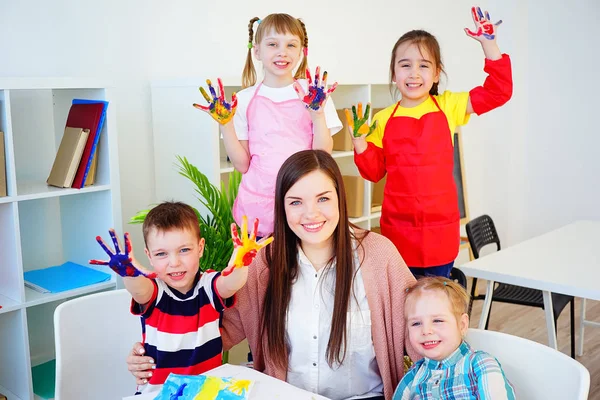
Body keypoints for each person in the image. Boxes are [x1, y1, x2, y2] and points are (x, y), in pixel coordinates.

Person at [127, 150, 418, 400]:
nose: (311, 214)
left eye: (323, 199)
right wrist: (152, 355)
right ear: (282, 206)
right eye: (296, 202)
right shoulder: (262, 264)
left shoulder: (379, 255)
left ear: (340, 199)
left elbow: (423, 327)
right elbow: (211, 333)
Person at [347, 6, 513, 278]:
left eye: (424, 66)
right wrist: (360, 143)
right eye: (405, 65)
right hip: (398, 234)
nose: (414, 73)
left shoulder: (449, 106)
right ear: (393, 74)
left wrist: (489, 45)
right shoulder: (383, 118)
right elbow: (374, 172)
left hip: (439, 233)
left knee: (434, 308)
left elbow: (499, 91)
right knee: (402, 309)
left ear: (437, 73)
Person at [91, 201, 271, 394]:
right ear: (149, 256)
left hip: (205, 392)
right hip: (158, 394)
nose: (174, 263)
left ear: (200, 248)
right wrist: (128, 273)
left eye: (184, 250)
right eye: (161, 254)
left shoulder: (208, 285)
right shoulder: (155, 292)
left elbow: (230, 284)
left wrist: (241, 263)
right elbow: (139, 290)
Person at [193, 13, 342, 238]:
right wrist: (226, 125)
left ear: (302, 51)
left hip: (304, 203)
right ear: (257, 51)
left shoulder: (314, 94)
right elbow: (243, 165)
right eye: (273, 44)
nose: (282, 52)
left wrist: (317, 114)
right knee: (262, 271)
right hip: (259, 205)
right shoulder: (243, 100)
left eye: (291, 45)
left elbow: (322, 155)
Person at [393, 276, 515, 399]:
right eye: (416, 323)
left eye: (437, 320)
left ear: (462, 325)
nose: (426, 331)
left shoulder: (480, 365)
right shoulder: (413, 376)